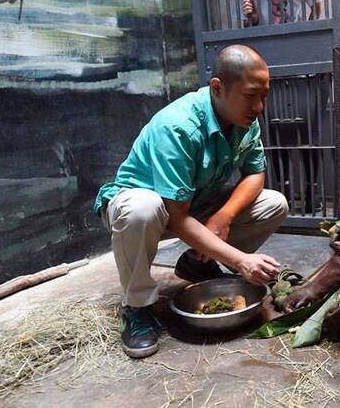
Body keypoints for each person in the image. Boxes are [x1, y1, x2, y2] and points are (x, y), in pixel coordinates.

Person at [94, 45, 288, 358]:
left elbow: (255, 174)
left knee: (273, 202)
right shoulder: (179, 126)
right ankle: (136, 306)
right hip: (142, 208)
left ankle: (198, 264)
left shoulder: (245, 120)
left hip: (189, 204)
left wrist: (224, 215)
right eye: (252, 95)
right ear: (217, 88)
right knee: (142, 210)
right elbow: (176, 215)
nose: (260, 106)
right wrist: (241, 260)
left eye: (264, 95)